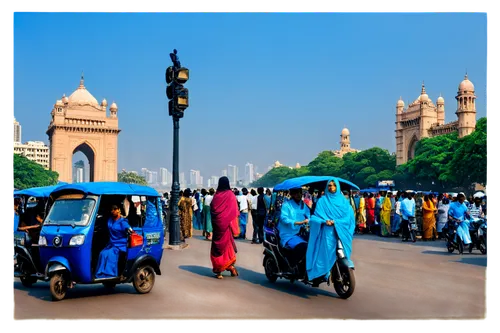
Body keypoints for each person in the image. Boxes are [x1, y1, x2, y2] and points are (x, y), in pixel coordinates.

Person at [306, 178, 355, 287]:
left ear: (337, 187)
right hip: (327, 233)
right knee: (324, 254)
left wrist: (336, 222)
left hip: (341, 233)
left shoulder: (344, 202)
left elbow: (349, 218)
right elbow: (315, 218)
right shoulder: (322, 201)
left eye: (333, 185)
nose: (331, 187)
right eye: (329, 185)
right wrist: (324, 221)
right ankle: (320, 274)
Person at [210, 176, 240, 279]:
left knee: (217, 247)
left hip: (217, 227)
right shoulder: (230, 195)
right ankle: (230, 267)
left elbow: (213, 210)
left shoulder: (216, 196)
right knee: (228, 247)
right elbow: (234, 212)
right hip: (226, 226)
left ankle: (219, 271)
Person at [95, 205, 133, 279]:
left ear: (119, 210)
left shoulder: (122, 221)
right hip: (112, 243)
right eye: (112, 209)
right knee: (102, 253)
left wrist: (129, 230)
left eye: (115, 209)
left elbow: (128, 228)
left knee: (110, 254)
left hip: (121, 244)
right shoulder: (110, 220)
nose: (113, 211)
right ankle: (101, 273)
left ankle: (110, 274)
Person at [277, 187, 310, 272]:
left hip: (301, 233)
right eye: (296, 193)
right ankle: (291, 265)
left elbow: (309, 216)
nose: (298, 195)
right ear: (291, 194)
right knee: (303, 247)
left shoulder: (303, 205)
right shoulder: (286, 205)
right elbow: (284, 218)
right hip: (289, 234)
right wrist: (297, 222)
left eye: (299, 192)